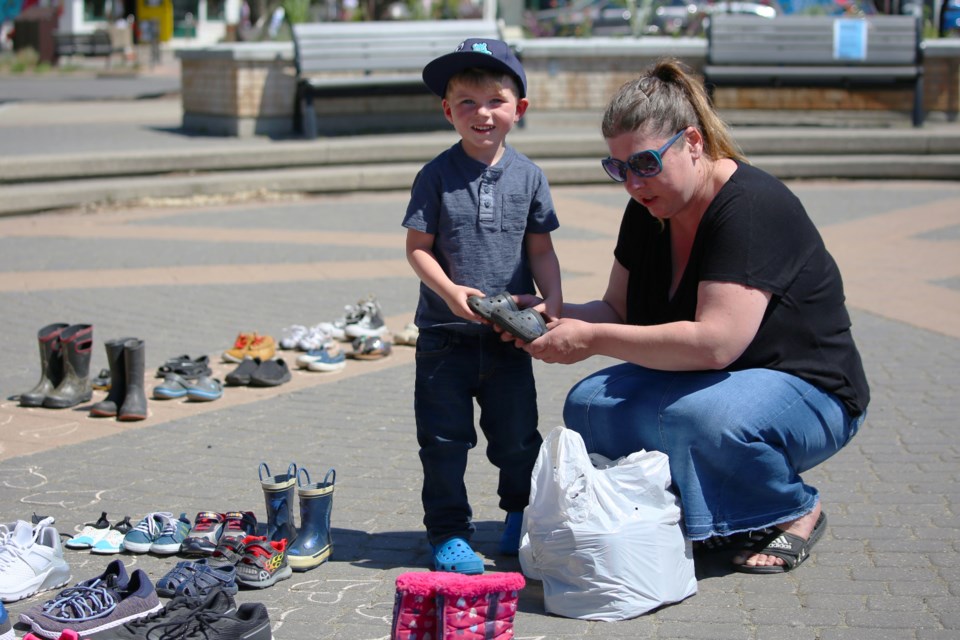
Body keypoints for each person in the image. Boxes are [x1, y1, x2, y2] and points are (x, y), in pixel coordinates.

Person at [513, 58, 869, 574]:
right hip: (717, 378)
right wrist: (553, 314)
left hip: (808, 388)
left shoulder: (749, 206)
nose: (633, 182)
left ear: (693, 143)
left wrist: (591, 339)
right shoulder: (649, 208)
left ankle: (793, 508)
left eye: (645, 163)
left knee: (700, 420)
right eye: (619, 168)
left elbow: (716, 342)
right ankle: (711, 511)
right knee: (589, 404)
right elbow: (617, 310)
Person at [402, 38, 562, 575]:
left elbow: (540, 248)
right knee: (443, 444)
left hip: (507, 338)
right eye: (466, 102)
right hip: (444, 338)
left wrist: (552, 305)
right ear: (448, 111)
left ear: (519, 109)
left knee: (518, 440)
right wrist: (451, 292)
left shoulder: (530, 176)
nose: (481, 113)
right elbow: (417, 249)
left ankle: (520, 517)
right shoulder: (436, 175)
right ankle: (448, 532)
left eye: (494, 100)